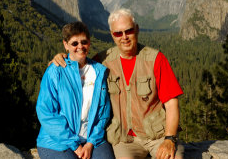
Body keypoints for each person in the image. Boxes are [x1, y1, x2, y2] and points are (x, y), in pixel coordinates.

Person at [52, 9, 184, 159]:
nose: (124, 37)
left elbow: (172, 103)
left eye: (129, 31)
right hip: (124, 140)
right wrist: (62, 58)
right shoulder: (102, 62)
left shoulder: (156, 59)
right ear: (112, 35)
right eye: (118, 33)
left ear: (137, 29)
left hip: (158, 137)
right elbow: (79, 61)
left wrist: (169, 138)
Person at [36, 21, 115, 159]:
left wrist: (90, 143)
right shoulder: (55, 71)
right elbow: (46, 112)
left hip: (91, 139)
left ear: (89, 43)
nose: (80, 47)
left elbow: (103, 114)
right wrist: (75, 146)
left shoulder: (99, 71)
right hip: (56, 142)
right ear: (65, 45)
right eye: (74, 43)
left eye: (84, 42)